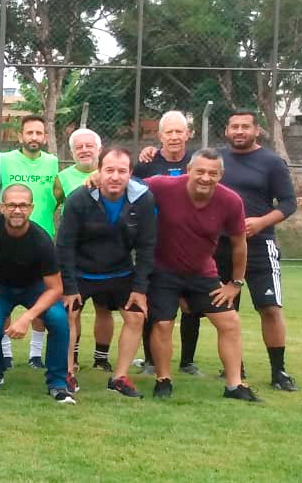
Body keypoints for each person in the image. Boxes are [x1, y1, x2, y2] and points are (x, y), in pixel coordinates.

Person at [140, 110, 299, 391]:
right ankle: (177, 377)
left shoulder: (267, 166)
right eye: (234, 126)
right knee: (181, 318)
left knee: (261, 310)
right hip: (200, 254)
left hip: (250, 248)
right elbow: (134, 183)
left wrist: (260, 225)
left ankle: (268, 375)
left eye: (245, 126)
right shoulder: (200, 165)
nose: (206, 177)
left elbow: (286, 205)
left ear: (257, 130)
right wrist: (103, 174)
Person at [144, 149, 259, 402]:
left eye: (212, 173)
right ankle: (163, 380)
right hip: (163, 271)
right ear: (189, 170)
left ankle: (235, 386)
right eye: (200, 171)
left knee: (230, 321)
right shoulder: (163, 186)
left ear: (221, 175)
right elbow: (128, 184)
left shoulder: (230, 201)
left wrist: (235, 283)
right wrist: (97, 176)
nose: (205, 178)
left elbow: (239, 244)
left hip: (201, 273)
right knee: (162, 324)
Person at [58, 147, 156, 398]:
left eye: (122, 171)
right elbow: (65, 245)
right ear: (99, 171)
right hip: (81, 272)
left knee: (136, 317)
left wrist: (140, 289)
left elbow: (146, 247)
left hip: (120, 272)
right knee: (68, 316)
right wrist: (69, 287)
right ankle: (66, 373)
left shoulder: (143, 199)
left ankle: (119, 378)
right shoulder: (78, 199)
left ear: (130, 174)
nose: (115, 177)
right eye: (109, 170)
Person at [0, 184, 74, 404]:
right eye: (11, 205)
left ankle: (57, 382)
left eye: (23, 205)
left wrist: (27, 317)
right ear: (1, 207)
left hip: (35, 288)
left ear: (31, 208)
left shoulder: (41, 240)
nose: (17, 210)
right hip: (1, 288)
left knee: (59, 321)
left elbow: (56, 288)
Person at [0, 114, 59, 370]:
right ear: (20, 136)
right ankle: (6, 352)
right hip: (9, 238)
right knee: (4, 297)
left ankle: (35, 354)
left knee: (41, 298)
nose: (34, 137)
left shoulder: (52, 162)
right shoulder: (5, 160)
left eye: (38, 133)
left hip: (41, 241)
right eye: (29, 132)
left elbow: (57, 194)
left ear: (45, 137)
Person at [133, 111, 198, 376]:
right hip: (155, 245)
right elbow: (133, 196)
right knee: (152, 302)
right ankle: (151, 361)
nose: (174, 136)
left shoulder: (197, 163)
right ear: (160, 136)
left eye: (179, 131)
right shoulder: (146, 163)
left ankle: (187, 362)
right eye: (169, 132)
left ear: (187, 134)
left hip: (190, 244)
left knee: (190, 305)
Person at [54, 128, 115, 374]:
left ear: (99, 149)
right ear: (71, 152)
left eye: (89, 146)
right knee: (73, 308)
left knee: (104, 308)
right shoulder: (62, 178)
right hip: (75, 255)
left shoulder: (110, 174)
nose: (84, 150)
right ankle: (74, 358)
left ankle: (101, 358)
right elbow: (52, 206)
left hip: (107, 254)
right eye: (78, 147)